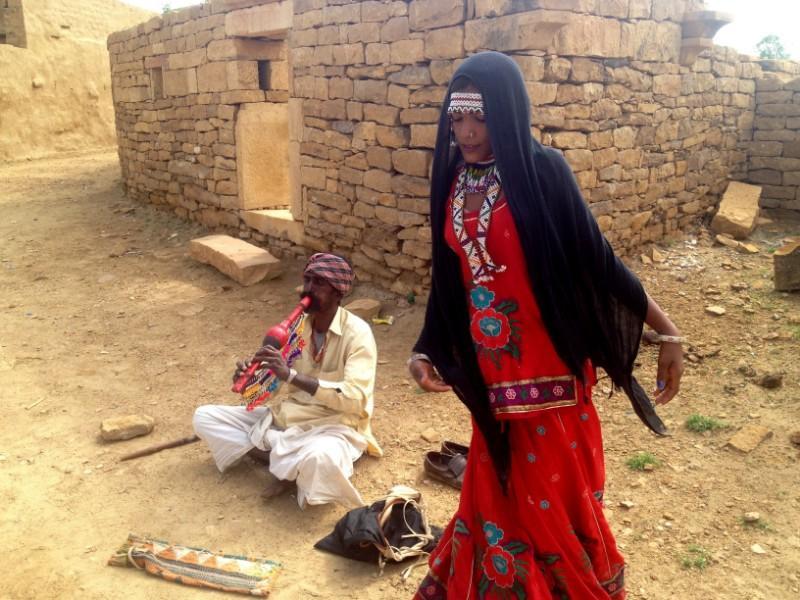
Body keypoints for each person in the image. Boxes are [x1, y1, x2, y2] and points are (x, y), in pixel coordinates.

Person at [408, 52, 684, 599]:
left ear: (506, 112)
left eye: (479, 117)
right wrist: (425, 349)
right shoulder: (453, 181)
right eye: (457, 118)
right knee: (496, 495)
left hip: (551, 372)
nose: (465, 131)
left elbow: (598, 260)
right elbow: (449, 277)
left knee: (551, 501)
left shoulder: (543, 172)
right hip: (491, 378)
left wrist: (667, 331)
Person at [193, 253, 381, 509]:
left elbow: (353, 399)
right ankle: (287, 465)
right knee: (204, 416)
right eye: (307, 280)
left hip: (334, 426)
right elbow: (267, 390)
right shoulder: (297, 329)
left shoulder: (358, 334)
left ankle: (281, 461)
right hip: (288, 419)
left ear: (339, 293)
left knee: (321, 458)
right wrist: (249, 381)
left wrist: (291, 375)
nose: (308, 289)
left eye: (318, 283)